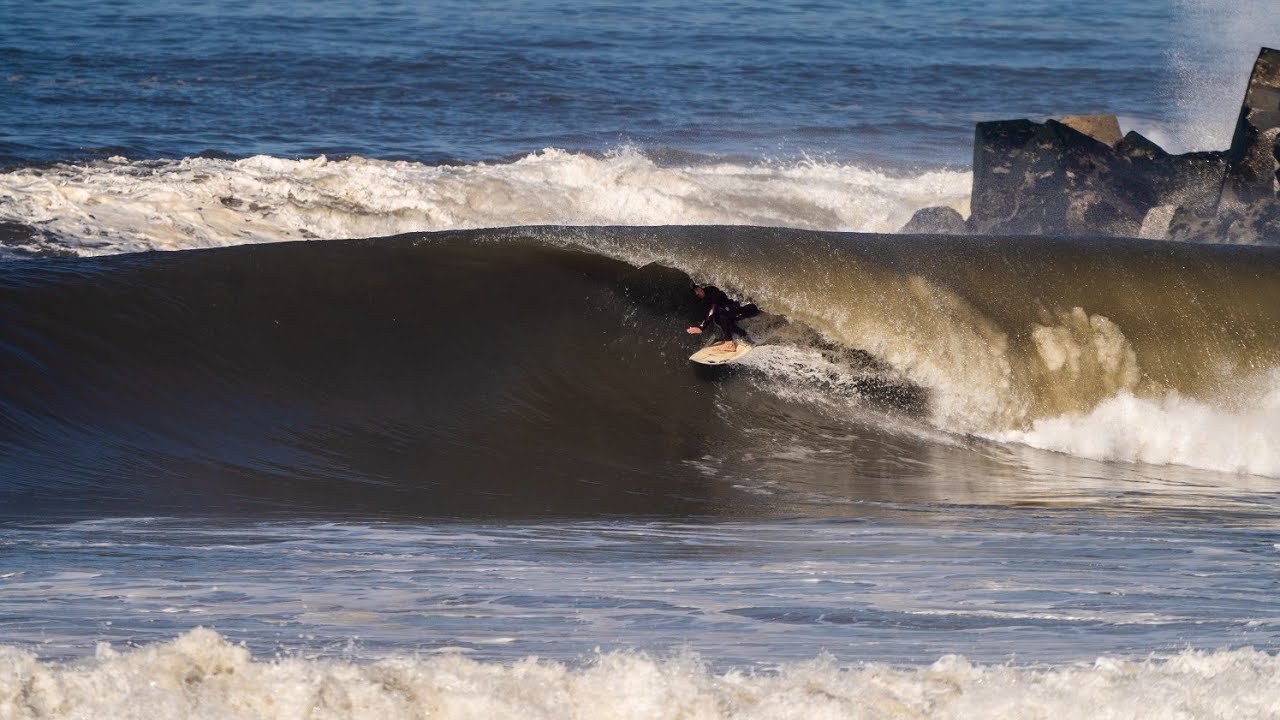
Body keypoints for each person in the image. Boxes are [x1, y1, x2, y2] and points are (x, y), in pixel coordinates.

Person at [686, 285, 758, 352]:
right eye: (694, 292)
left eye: (697, 290)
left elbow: (713, 309)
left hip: (750, 308)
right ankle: (744, 334)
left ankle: (729, 344)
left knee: (722, 314)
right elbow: (711, 312)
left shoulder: (714, 291)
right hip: (739, 310)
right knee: (718, 319)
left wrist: (702, 327)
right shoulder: (707, 297)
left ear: (701, 287)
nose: (696, 293)